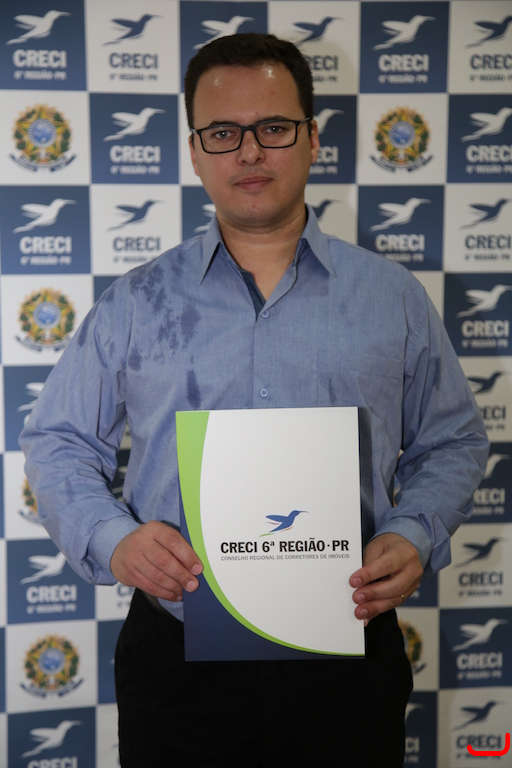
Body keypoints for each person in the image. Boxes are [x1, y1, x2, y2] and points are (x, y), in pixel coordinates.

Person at [21, 33, 488, 768]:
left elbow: (452, 441)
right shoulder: (135, 302)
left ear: (312, 138)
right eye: (222, 133)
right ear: (195, 150)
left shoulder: (393, 297)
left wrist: (414, 531)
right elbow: (57, 441)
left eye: (273, 127)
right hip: (176, 661)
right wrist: (115, 539)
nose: (249, 152)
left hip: (348, 651)